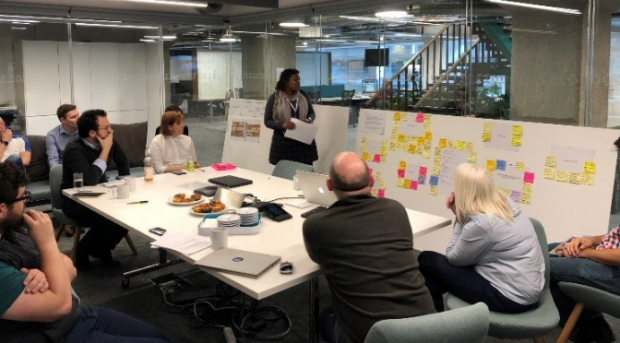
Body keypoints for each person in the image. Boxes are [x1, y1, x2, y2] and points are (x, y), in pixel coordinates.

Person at [0, 162, 171, 342]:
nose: (26, 203)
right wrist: (47, 244)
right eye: (23, 198)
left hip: (76, 318)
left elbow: (70, 269)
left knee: (160, 336)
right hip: (57, 335)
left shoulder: (12, 230)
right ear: (2, 208)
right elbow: (61, 305)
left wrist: (45, 273)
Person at [303, 152, 435, 343]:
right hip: (429, 330)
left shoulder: (316, 225)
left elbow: (317, 258)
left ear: (330, 186)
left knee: (326, 317)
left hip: (373, 338)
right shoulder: (395, 209)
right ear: (371, 180)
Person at [417, 163, 545, 314]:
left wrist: (459, 216)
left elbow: (453, 257)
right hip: (528, 287)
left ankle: (434, 324)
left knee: (426, 260)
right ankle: (437, 322)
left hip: (509, 297)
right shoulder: (504, 202)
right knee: (435, 276)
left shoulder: (482, 223)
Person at [546, 137, 620, 343]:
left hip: (616, 272)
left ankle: (588, 326)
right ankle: (593, 326)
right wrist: (591, 240)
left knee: (542, 266)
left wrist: (585, 253)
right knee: (548, 249)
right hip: (608, 258)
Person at [61, 109, 130, 270]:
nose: (110, 131)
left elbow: (123, 162)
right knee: (108, 218)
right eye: (106, 128)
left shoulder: (108, 139)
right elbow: (89, 181)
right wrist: (105, 150)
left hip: (102, 196)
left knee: (129, 211)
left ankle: (101, 248)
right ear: (93, 133)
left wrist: (125, 185)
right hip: (75, 201)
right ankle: (82, 251)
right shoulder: (74, 149)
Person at [264, 68, 318, 166]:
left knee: (305, 174)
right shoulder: (275, 98)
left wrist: (309, 119)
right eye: (295, 80)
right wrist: (283, 124)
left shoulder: (303, 95)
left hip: (304, 142)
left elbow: (312, 113)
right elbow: (267, 121)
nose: (298, 82)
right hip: (284, 143)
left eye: (299, 80)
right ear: (286, 82)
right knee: (285, 175)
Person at [46, 104, 80, 169]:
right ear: (62, 120)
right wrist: (57, 172)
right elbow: (53, 159)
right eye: (73, 117)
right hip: (64, 169)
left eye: (78, 115)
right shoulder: (52, 135)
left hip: (82, 167)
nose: (78, 119)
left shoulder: (85, 130)